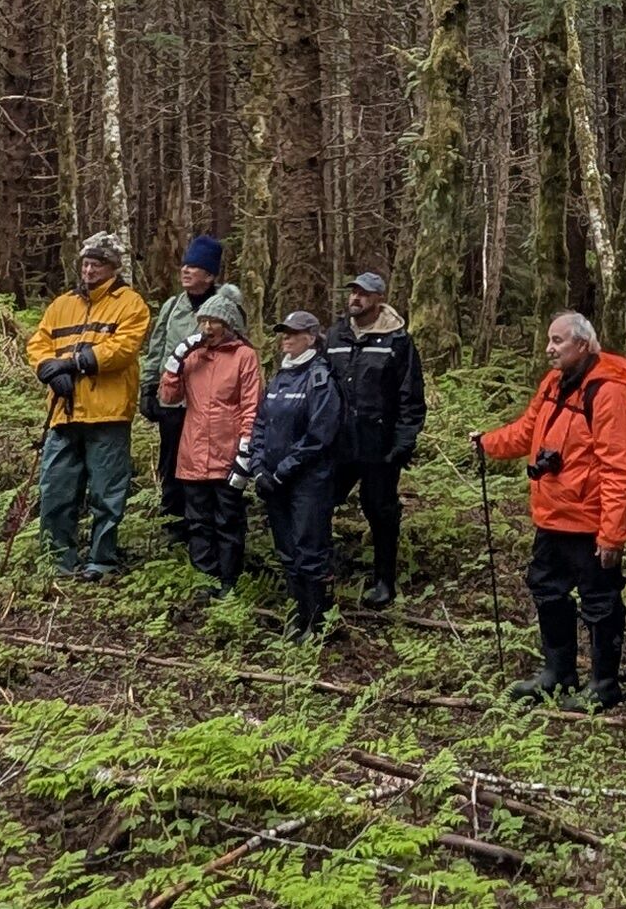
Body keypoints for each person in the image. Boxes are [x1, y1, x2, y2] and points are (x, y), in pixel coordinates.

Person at [476, 312, 626, 707]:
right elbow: (526, 432)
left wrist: (612, 535)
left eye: (558, 341)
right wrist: (486, 443)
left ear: (582, 345)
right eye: (549, 340)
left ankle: (603, 684)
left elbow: (621, 467)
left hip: (590, 522)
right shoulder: (554, 383)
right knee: (547, 589)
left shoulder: (611, 391)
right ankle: (558, 673)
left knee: (599, 602)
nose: (549, 349)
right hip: (551, 515)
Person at [27, 233, 151, 577]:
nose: (90, 270)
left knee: (106, 493)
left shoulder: (130, 304)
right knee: (56, 489)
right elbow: (39, 342)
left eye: (97, 264)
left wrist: (75, 363)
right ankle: (57, 560)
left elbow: (123, 348)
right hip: (63, 413)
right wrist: (48, 370)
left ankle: (101, 560)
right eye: (86, 263)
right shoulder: (62, 304)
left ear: (113, 267)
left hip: (108, 414)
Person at [325, 271, 429, 609]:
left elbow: (410, 395)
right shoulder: (335, 335)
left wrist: (404, 441)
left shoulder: (397, 341)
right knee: (321, 499)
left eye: (364, 294)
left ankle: (384, 581)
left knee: (380, 510)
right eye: (353, 292)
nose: (355, 298)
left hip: (378, 443)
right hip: (339, 441)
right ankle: (324, 567)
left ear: (378, 299)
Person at [245, 309, 351, 638]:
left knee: (310, 549)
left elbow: (320, 436)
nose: (285, 339)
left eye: (292, 333)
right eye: (283, 333)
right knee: (287, 551)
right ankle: (297, 615)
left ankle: (318, 622)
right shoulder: (280, 377)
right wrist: (258, 467)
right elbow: (261, 423)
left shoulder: (320, 379)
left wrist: (284, 470)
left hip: (309, 482)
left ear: (310, 338)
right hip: (274, 481)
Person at [156, 285, 260, 589]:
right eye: (203, 321)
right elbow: (169, 397)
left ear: (229, 325)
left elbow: (251, 407)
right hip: (192, 455)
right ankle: (205, 581)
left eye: (214, 321)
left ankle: (228, 582)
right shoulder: (194, 357)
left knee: (227, 520)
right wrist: (176, 359)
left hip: (227, 456)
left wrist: (245, 453)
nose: (207, 327)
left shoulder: (244, 356)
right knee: (198, 522)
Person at [142, 235, 229, 527]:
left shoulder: (224, 306)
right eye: (184, 266)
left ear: (210, 275)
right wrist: (148, 388)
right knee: (171, 460)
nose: (186, 271)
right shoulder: (172, 307)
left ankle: (205, 522)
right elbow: (157, 348)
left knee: (206, 462)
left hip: (210, 401)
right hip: (173, 400)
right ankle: (173, 519)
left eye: (194, 267)